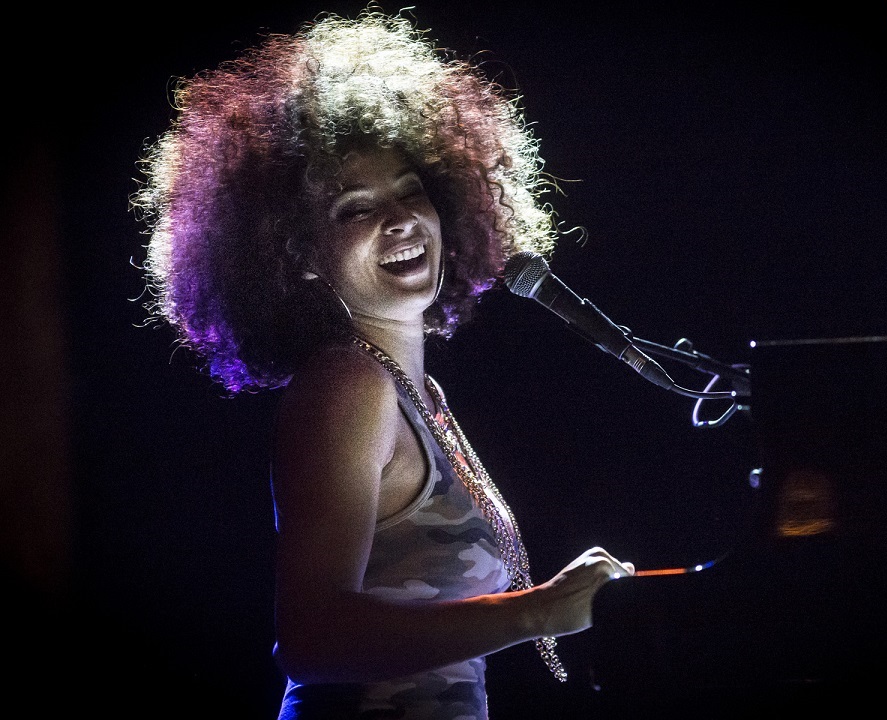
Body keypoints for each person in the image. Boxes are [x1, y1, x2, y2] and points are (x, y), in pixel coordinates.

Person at [131, 9, 634, 719]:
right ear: (299, 256)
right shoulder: (348, 386)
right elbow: (311, 638)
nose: (399, 219)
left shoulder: (412, 389)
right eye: (353, 208)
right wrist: (538, 612)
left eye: (409, 190)